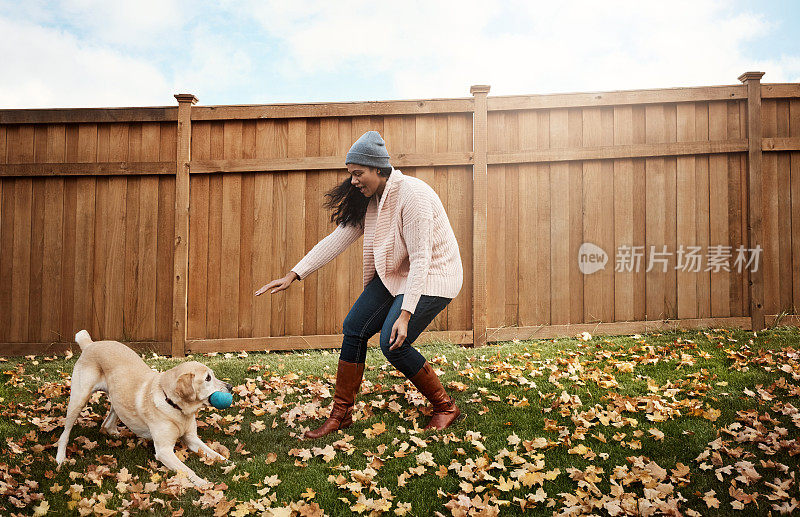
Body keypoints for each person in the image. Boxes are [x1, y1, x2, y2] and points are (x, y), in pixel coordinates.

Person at [255, 130, 463, 439]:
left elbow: (421, 258)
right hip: (396, 275)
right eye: (350, 174)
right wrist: (293, 274)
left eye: (358, 173)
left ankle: (445, 407)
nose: (353, 180)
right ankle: (341, 415)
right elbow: (338, 238)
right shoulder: (371, 200)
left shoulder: (414, 195)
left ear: (378, 169)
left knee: (394, 343)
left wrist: (405, 315)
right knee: (354, 326)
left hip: (434, 275)